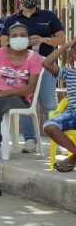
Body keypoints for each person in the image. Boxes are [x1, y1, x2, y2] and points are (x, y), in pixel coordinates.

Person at [0, 0, 65, 153]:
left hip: (45, 65)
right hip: (19, 67)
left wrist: (45, 40)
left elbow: (62, 39)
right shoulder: (12, 19)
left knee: (49, 104)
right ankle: (30, 140)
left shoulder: (49, 16)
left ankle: (58, 140)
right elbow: (3, 42)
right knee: (24, 102)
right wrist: (25, 42)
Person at [0, 23, 43, 132]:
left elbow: (31, 88)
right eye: (14, 36)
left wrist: (4, 93)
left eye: (22, 35)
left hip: (19, 97)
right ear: (8, 39)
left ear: (29, 38)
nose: (18, 38)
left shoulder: (36, 58)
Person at [42, 37, 76, 172]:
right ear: (73, 56)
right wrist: (66, 46)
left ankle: (73, 158)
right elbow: (46, 63)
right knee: (49, 126)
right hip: (72, 114)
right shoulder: (70, 73)